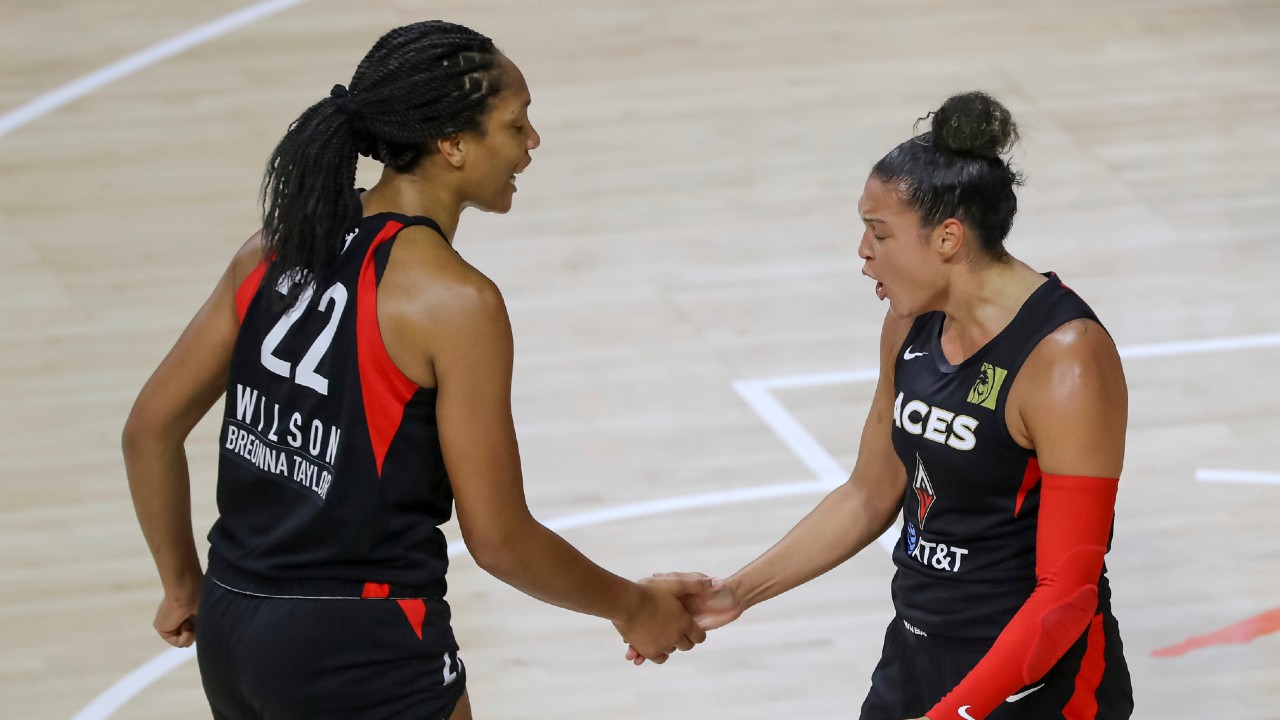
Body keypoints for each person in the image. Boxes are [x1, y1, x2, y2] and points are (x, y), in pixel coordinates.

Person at [122, 20, 708, 720]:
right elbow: (499, 540)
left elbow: (148, 429)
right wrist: (634, 605)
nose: (532, 144)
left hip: (233, 626)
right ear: (452, 144)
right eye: (515, 125)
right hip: (360, 643)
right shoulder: (455, 303)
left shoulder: (272, 251)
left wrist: (184, 587)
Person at [638, 92, 1134, 719]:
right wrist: (735, 592)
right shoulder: (910, 325)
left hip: (1037, 682)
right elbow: (869, 494)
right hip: (916, 658)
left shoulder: (1065, 359)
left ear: (948, 238)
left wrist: (957, 713)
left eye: (879, 233)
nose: (862, 251)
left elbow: (1066, 594)